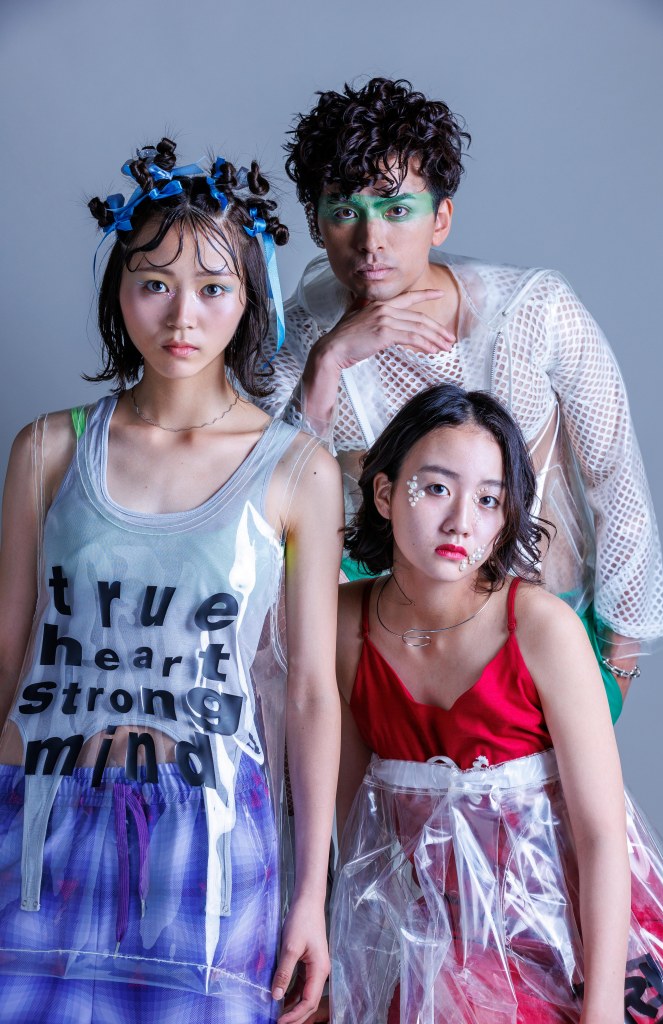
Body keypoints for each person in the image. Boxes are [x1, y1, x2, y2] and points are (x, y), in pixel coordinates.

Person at [0, 138, 343, 1024]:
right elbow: (6, 649)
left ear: (250, 297)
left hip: (209, 834)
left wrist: (311, 895)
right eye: (154, 283)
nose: (182, 315)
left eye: (213, 288)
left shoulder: (297, 469)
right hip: (37, 816)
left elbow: (310, 692)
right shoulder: (47, 449)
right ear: (118, 291)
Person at [258, 77, 663, 721]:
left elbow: (617, 482)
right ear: (317, 223)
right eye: (345, 211)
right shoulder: (306, 335)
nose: (371, 240)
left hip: (541, 637)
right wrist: (329, 362)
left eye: (397, 210)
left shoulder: (536, 311)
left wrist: (618, 664)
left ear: (441, 218)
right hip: (385, 652)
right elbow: (262, 505)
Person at [330, 383, 663, 1024]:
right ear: (384, 493)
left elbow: (602, 836)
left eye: (489, 500)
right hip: (439, 947)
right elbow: (355, 834)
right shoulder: (345, 625)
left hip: (577, 942)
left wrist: (603, 1009)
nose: (461, 521)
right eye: (436, 488)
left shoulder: (541, 627)